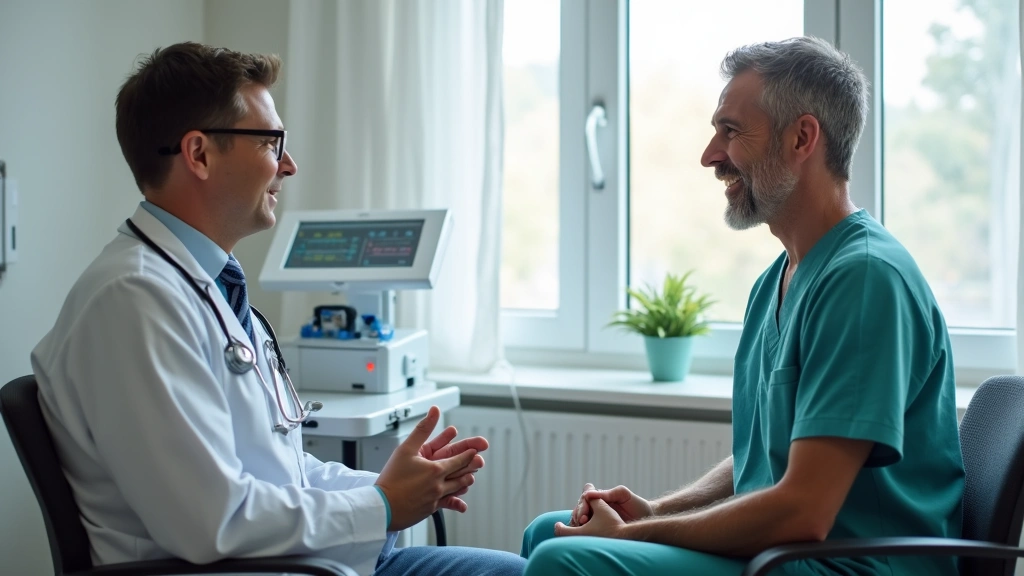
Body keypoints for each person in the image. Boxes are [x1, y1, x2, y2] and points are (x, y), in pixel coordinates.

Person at [30, 42, 525, 576]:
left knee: (538, 563)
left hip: (305, 561)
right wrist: (381, 506)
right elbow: (211, 520)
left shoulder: (202, 287)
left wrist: (391, 488)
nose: (288, 164)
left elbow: (279, 473)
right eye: (271, 143)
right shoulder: (134, 301)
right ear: (198, 154)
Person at [520, 36, 965, 576]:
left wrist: (637, 533)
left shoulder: (865, 279)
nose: (710, 155)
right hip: (790, 557)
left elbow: (803, 511)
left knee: (564, 559)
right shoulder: (776, 281)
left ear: (802, 138)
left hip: (850, 566)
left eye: (730, 132)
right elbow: (765, 456)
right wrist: (656, 510)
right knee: (547, 531)